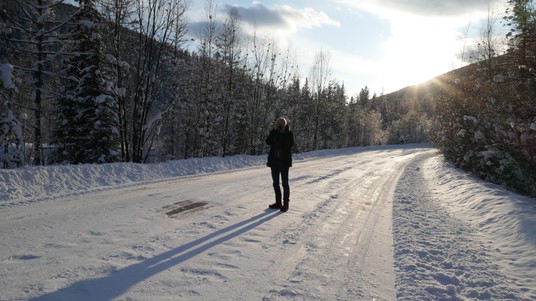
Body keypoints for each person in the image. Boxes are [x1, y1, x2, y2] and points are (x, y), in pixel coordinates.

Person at [266, 117, 294, 212]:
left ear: (285, 125)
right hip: (274, 162)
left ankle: (286, 203)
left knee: (285, 184)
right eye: (278, 124)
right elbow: (268, 142)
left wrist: (283, 133)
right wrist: (274, 131)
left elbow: (290, 144)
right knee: (275, 183)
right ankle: (278, 202)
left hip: (284, 162)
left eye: (281, 124)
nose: (280, 126)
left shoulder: (289, 133)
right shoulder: (274, 133)